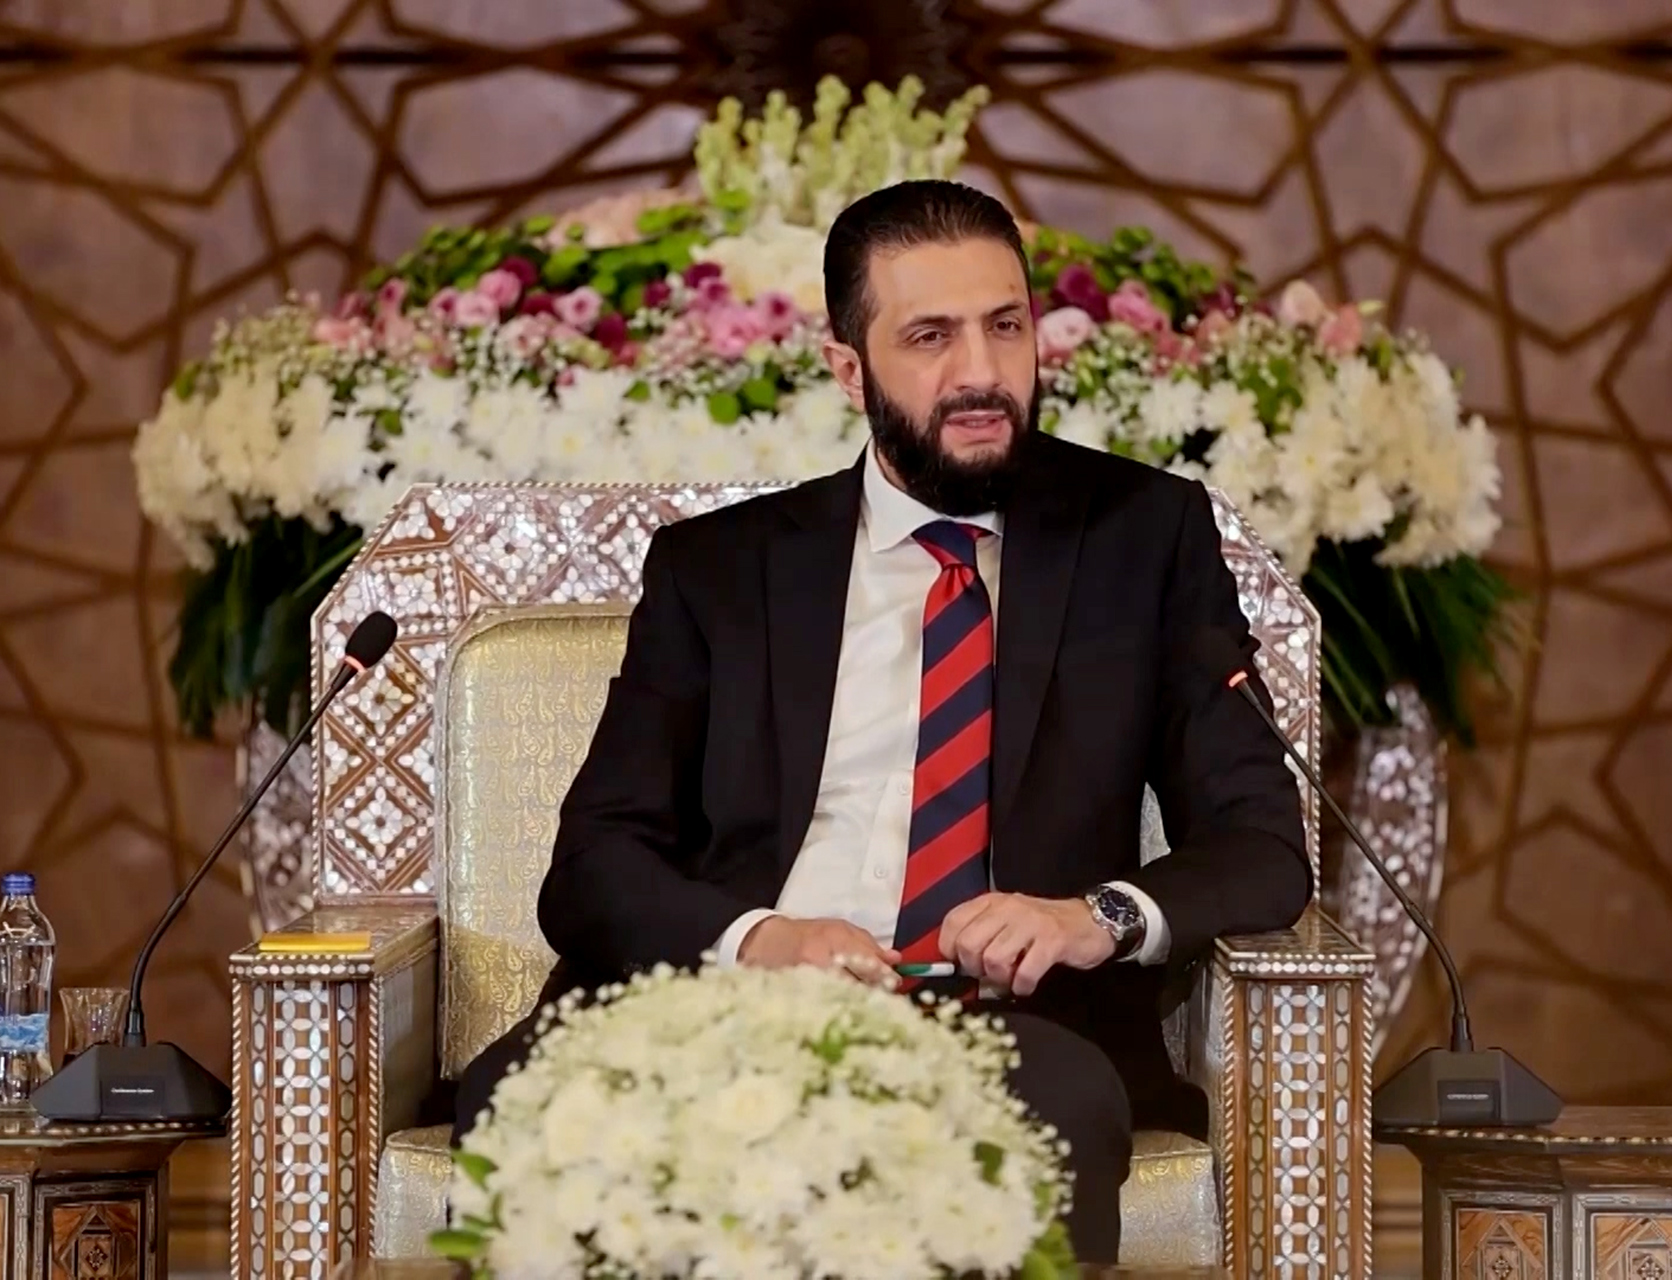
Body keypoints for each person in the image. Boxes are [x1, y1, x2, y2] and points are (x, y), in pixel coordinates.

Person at [452, 179, 1313, 1263]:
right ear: (848, 368)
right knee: (518, 1100)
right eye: (930, 336)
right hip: (719, 1007)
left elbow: (1261, 843)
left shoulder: (1141, 538)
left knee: (1048, 1112)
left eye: (1006, 326)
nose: (982, 373)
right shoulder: (722, 569)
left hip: (1006, 1030)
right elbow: (593, 866)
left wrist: (1090, 915)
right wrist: (762, 940)